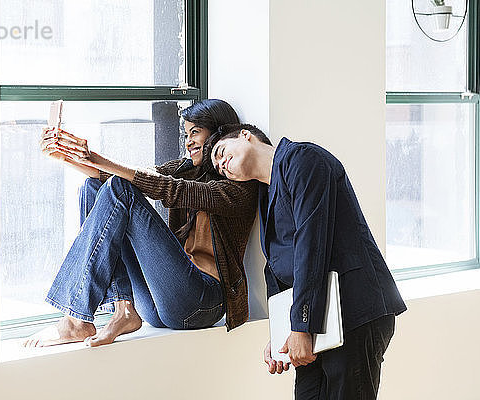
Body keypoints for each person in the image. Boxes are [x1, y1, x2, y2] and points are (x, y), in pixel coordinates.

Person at [24, 100, 259, 348]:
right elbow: (133, 175)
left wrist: (93, 156)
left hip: (203, 302)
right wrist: (65, 157)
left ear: (219, 133)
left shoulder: (240, 186)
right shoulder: (186, 168)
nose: (188, 141)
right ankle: (123, 308)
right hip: (161, 301)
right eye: (185, 133)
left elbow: (171, 190)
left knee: (119, 188)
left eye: (195, 132)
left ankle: (75, 320)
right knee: (94, 187)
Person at [208, 124, 407, 400]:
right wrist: (282, 336)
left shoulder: (303, 159)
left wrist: (300, 326)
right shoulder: (266, 195)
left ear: (245, 135)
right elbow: (278, 267)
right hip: (319, 321)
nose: (222, 165)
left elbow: (311, 246)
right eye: (218, 168)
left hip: (353, 313)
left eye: (221, 153)